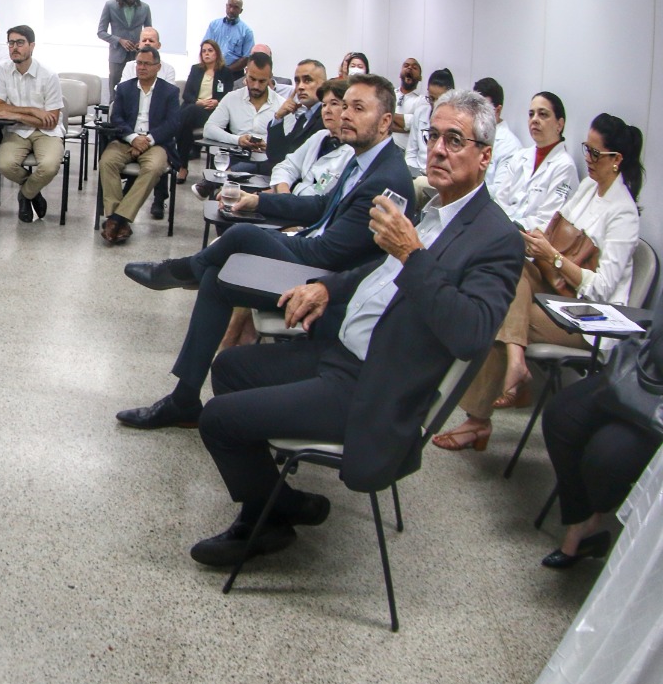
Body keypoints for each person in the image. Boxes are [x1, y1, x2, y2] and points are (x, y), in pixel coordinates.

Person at [187, 90, 521, 567]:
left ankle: (265, 521)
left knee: (218, 420)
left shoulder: (496, 238)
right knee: (231, 368)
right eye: (433, 136)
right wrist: (328, 289)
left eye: (455, 140)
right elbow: (380, 270)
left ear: (485, 155)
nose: (437, 150)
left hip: (374, 387)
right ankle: (277, 501)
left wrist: (411, 254)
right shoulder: (438, 210)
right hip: (342, 353)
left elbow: (471, 333)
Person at [119, 74, 415, 428]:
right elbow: (321, 206)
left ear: (385, 122)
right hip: (317, 262)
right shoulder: (362, 158)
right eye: (344, 106)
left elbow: (326, 254)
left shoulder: (388, 179)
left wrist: (270, 239)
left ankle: (181, 270)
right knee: (217, 276)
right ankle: (183, 400)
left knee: (243, 235)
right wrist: (259, 201)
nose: (345, 114)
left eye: (358, 108)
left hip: (328, 288)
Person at [433, 114, 644, 448]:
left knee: (498, 312)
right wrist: (539, 243)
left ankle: (479, 419)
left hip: (590, 317)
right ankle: (516, 365)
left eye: (595, 153)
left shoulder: (624, 212)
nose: (588, 159)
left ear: (616, 159)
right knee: (507, 270)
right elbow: (557, 235)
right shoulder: (589, 188)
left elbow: (602, 289)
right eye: (586, 149)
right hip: (555, 286)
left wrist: (553, 256)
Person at [539, 321, 663, 568]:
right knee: (561, 416)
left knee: (606, 456)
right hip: (649, 370)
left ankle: (585, 528)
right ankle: (581, 517)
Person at [97, 46, 180, 244]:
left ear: (158, 67)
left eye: (147, 64)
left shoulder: (170, 91)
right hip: (126, 139)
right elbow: (117, 118)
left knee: (153, 168)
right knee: (107, 162)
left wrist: (147, 140)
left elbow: (173, 123)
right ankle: (118, 219)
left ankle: (117, 219)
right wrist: (134, 138)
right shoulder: (124, 88)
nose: (141, 67)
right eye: (139, 63)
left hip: (156, 143)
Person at [0, 26, 66, 224]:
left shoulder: (48, 75)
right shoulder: (3, 70)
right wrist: (32, 111)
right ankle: (34, 192)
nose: (14, 47)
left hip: (46, 132)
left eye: (20, 43)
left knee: (49, 166)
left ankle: (25, 194)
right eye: (11, 43)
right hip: (16, 131)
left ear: (32, 46)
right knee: (5, 165)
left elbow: (51, 121)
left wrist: (15, 113)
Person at [200, 53, 282, 177]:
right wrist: (238, 140)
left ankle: (227, 176)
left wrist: (270, 146)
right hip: (238, 156)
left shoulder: (281, 104)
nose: (256, 86)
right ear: (246, 72)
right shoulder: (232, 98)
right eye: (252, 79)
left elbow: (291, 144)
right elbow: (209, 129)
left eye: (262, 81)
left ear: (270, 77)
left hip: (269, 163)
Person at [506, 92, 578, 231]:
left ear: (559, 125)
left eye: (543, 114)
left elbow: (546, 220)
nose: (534, 119)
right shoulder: (519, 157)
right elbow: (500, 201)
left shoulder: (565, 167)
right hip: (503, 230)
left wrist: (507, 228)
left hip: (529, 239)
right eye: (531, 114)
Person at [268, 79, 350, 196]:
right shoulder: (319, 137)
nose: (326, 110)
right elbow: (285, 166)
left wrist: (287, 201)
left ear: (348, 109)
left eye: (334, 103)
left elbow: (321, 195)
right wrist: (284, 193)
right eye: (324, 105)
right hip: (292, 201)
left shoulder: (352, 151)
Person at [174, 39, 236, 182]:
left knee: (182, 119)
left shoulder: (225, 72)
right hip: (194, 108)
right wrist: (198, 102)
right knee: (186, 124)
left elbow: (229, 95)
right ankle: (183, 167)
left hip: (212, 112)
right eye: (204, 51)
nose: (206, 53)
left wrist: (217, 102)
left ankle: (180, 165)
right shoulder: (196, 69)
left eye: (210, 50)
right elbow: (187, 94)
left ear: (216, 53)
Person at [471, 77, 528, 207]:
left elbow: (499, 191)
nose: (476, 115)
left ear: (497, 110)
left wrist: (466, 188)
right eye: (474, 108)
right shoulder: (472, 133)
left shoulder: (510, 145)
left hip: (487, 206)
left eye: (483, 110)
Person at [96, 0, 152, 92]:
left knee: (136, 90)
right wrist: (119, 40)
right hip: (117, 57)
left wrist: (141, 44)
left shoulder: (145, 8)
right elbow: (101, 32)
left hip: (138, 56)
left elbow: (149, 33)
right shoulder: (110, 6)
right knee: (115, 91)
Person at [405, 68, 453, 177]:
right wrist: (414, 175)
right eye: (431, 98)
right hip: (418, 174)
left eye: (440, 100)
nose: (434, 104)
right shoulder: (420, 113)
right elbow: (411, 153)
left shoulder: (454, 120)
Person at [202, 0, 254, 73]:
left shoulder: (246, 32)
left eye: (236, 7)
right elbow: (205, 47)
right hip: (212, 70)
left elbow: (246, 58)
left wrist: (226, 71)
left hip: (234, 74)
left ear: (241, 11)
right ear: (226, 6)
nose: (231, 10)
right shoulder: (214, 25)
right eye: (230, 6)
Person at [390, 57, 424, 154]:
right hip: (384, 147)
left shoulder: (422, 100)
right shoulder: (390, 94)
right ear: (400, 73)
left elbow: (416, 123)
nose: (409, 68)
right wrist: (405, 127)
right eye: (406, 66)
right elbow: (379, 118)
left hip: (405, 152)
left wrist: (390, 116)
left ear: (420, 77)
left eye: (414, 67)